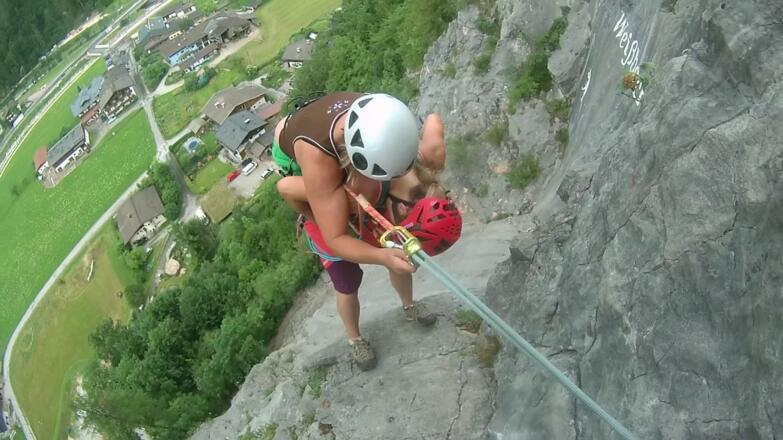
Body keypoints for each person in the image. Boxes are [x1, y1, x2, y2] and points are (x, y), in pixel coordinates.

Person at [274, 106, 459, 370]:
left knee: (398, 254)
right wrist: (321, 218)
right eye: (407, 226)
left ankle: (409, 306)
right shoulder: (343, 189)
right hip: (321, 193)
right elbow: (285, 187)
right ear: (404, 209)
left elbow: (433, 118)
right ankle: (354, 339)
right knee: (346, 278)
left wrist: (392, 252)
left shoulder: (425, 158)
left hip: (356, 166)